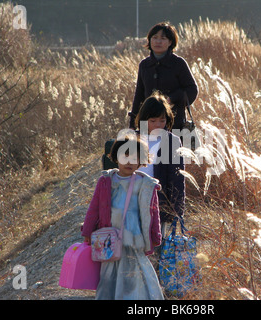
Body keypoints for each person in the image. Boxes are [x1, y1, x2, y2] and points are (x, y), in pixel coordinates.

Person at [81, 136, 164, 300]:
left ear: (141, 161)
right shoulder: (106, 181)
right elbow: (94, 208)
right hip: (110, 236)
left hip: (134, 236)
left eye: (135, 158)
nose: (129, 162)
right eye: (125, 156)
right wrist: (88, 232)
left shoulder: (145, 184)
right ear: (115, 157)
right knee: (109, 271)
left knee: (135, 270)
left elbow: (153, 213)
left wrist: (156, 236)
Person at [129, 21, 198, 131]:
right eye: (155, 37)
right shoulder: (144, 65)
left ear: (170, 42)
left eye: (163, 38)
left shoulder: (178, 63)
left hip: (174, 124)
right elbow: (139, 95)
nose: (158, 42)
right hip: (147, 125)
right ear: (149, 40)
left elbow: (192, 90)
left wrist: (171, 98)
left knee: (172, 147)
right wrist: (132, 125)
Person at [135, 92, 185, 233]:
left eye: (162, 121)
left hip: (157, 201)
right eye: (153, 121)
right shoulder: (133, 138)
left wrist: (177, 211)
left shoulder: (172, 141)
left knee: (156, 242)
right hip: (131, 199)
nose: (158, 125)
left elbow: (177, 178)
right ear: (144, 120)